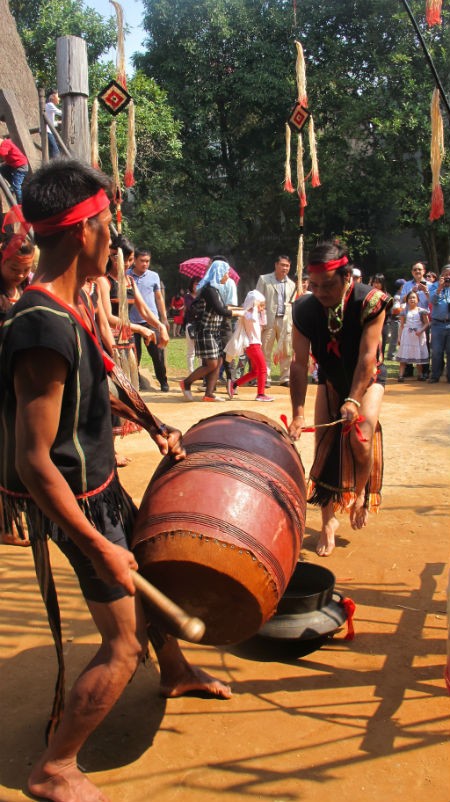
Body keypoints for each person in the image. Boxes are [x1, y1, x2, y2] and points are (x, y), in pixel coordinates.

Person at [0, 159, 231, 802]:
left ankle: (177, 671)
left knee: (150, 574)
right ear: (82, 231)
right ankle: (54, 769)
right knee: (123, 645)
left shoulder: (63, 308)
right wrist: (98, 543)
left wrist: (153, 424)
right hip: (78, 504)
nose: (116, 242)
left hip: (101, 489)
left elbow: (97, 386)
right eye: (110, 227)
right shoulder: (41, 326)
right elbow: (32, 459)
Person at [288, 240, 391, 557]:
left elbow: (367, 358)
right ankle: (328, 522)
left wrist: (354, 400)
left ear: (348, 277)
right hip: (331, 380)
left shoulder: (372, 302)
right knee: (325, 446)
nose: (320, 292)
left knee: (360, 438)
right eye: (313, 285)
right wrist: (298, 414)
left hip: (368, 378)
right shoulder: (304, 309)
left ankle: (358, 493)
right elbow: (299, 363)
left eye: (328, 285)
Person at [0, 212, 35, 547]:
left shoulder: (25, 289)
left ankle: (11, 514)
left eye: (26, 270)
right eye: (15, 269)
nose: (22, 275)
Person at [179, 259, 240, 401]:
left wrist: (239, 310)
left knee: (218, 362)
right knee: (211, 363)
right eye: (226, 273)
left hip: (213, 331)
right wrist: (239, 313)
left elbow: (222, 308)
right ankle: (186, 382)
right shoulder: (209, 290)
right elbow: (220, 310)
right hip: (205, 331)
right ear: (219, 273)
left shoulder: (214, 290)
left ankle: (209, 394)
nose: (227, 276)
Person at [128, 249, 170, 392]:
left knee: (158, 354)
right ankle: (134, 384)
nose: (145, 264)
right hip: (131, 321)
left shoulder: (154, 276)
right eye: (142, 261)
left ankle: (163, 382)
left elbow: (158, 297)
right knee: (134, 355)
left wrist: (164, 319)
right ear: (135, 260)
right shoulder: (126, 275)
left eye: (147, 261)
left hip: (151, 320)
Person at [225, 289, 274, 401]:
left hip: (255, 345)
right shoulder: (248, 313)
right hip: (253, 345)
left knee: (256, 371)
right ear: (254, 303)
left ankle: (234, 384)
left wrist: (262, 312)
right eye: (260, 304)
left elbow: (263, 324)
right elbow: (252, 317)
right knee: (262, 369)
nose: (262, 307)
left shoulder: (254, 313)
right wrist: (256, 306)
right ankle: (260, 394)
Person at [256, 255, 296, 387]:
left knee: (286, 350)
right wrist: (259, 321)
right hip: (268, 320)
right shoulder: (264, 280)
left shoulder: (292, 284)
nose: (285, 268)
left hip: (285, 321)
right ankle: (265, 377)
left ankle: (285, 378)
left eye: (287, 266)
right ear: (276, 265)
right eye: (282, 265)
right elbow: (257, 300)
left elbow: (293, 304)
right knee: (265, 350)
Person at [395, 290, 430, 382]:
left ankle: (420, 374)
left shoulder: (422, 311)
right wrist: (399, 337)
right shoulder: (404, 312)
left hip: (418, 335)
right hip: (407, 335)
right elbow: (401, 325)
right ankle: (401, 375)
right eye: (410, 298)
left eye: (414, 297)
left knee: (418, 355)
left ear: (418, 299)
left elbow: (427, 323)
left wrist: (421, 330)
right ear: (407, 300)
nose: (412, 299)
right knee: (404, 355)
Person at [428, 265, 450, 383]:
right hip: (437, 324)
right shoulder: (434, 286)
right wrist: (440, 288)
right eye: (446, 274)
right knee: (437, 351)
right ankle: (435, 375)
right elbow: (431, 301)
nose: (448, 276)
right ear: (442, 275)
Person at [0, 136, 29, 203]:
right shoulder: (4, 144)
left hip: (21, 166)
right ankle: (12, 185)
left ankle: (21, 203)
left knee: (17, 187)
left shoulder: (6, 143)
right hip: (13, 165)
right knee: (2, 169)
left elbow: (3, 153)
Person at [184, 276, 200, 373]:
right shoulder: (188, 296)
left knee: (201, 351)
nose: (197, 286)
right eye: (195, 283)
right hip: (190, 325)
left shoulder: (202, 296)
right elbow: (191, 308)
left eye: (199, 283)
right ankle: (191, 371)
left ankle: (200, 372)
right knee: (191, 351)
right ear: (192, 285)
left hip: (200, 325)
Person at [45, 89, 62, 159]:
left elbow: (50, 122)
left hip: (48, 130)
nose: (59, 98)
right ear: (52, 97)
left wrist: (58, 122)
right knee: (55, 151)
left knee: (53, 150)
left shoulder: (48, 105)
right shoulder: (50, 105)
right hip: (47, 131)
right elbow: (61, 113)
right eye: (57, 96)